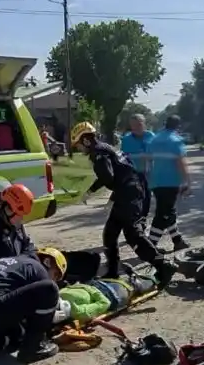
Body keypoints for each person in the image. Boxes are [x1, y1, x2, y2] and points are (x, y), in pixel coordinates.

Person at [71, 121, 178, 288]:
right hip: (128, 191)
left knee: (133, 234)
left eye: (78, 145)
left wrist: (91, 191)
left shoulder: (98, 153)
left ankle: (163, 265)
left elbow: (108, 177)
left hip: (130, 194)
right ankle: (112, 271)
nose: (78, 149)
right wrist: (111, 197)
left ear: (85, 140)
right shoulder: (105, 148)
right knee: (110, 234)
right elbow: (122, 173)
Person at [147, 114, 192, 252]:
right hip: (171, 181)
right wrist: (187, 182)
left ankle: (178, 241)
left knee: (168, 211)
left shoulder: (154, 139)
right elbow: (180, 163)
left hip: (156, 182)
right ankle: (150, 246)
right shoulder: (175, 140)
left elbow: (148, 160)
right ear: (178, 126)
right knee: (163, 214)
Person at [121, 113, 156, 217]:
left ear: (144, 124)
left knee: (146, 198)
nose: (136, 128)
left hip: (148, 174)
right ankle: (135, 220)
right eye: (133, 125)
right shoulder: (126, 139)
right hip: (133, 175)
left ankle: (143, 220)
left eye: (139, 124)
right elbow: (123, 157)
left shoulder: (151, 137)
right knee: (134, 200)